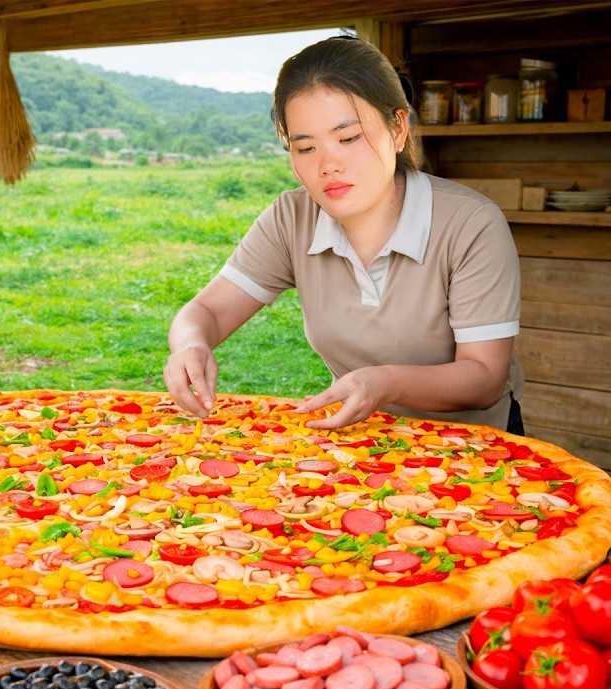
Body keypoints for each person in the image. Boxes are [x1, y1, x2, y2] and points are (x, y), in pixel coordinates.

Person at [163, 35, 525, 433]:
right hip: (358, 440)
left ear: (398, 129)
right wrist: (191, 344)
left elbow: (484, 378)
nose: (328, 165)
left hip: (476, 449)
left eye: (348, 138)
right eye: (305, 148)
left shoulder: (470, 224)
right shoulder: (292, 218)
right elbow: (206, 312)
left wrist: (385, 383)